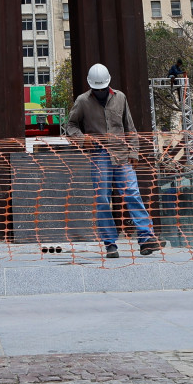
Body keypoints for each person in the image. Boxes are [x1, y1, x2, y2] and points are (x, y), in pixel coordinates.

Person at [63, 65, 161, 258]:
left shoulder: (121, 98)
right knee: (102, 199)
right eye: (97, 89)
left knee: (132, 193)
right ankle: (110, 244)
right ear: (92, 86)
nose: (100, 91)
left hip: (122, 154)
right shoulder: (82, 101)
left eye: (103, 88)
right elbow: (70, 125)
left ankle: (146, 239)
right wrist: (83, 140)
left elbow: (129, 127)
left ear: (108, 83)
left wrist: (134, 152)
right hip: (99, 155)